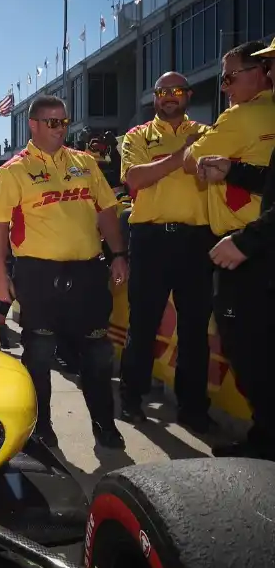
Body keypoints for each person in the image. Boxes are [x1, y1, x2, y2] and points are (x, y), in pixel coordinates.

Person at [0, 95, 129, 449]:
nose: (60, 128)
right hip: (38, 275)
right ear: (33, 125)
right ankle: (41, 426)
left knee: (98, 352)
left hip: (88, 273)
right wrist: (0, 276)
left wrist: (119, 254)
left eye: (64, 122)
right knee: (39, 352)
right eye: (52, 122)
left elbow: (107, 210)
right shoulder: (12, 171)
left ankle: (104, 424)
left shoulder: (85, 162)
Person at [184, 40, 275, 458]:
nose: (224, 87)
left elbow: (191, 158)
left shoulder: (243, 115)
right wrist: (234, 169)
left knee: (249, 348)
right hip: (253, 243)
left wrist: (248, 241)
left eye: (229, 77)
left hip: (250, 250)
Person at [116, 72, 214, 432]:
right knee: (142, 324)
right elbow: (136, 178)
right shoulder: (137, 136)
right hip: (150, 239)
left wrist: (178, 158)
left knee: (194, 329)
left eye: (176, 90)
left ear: (188, 95)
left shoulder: (208, 133)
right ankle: (131, 399)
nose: (169, 97)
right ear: (154, 98)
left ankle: (193, 409)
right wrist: (182, 156)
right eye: (162, 92)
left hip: (196, 239)